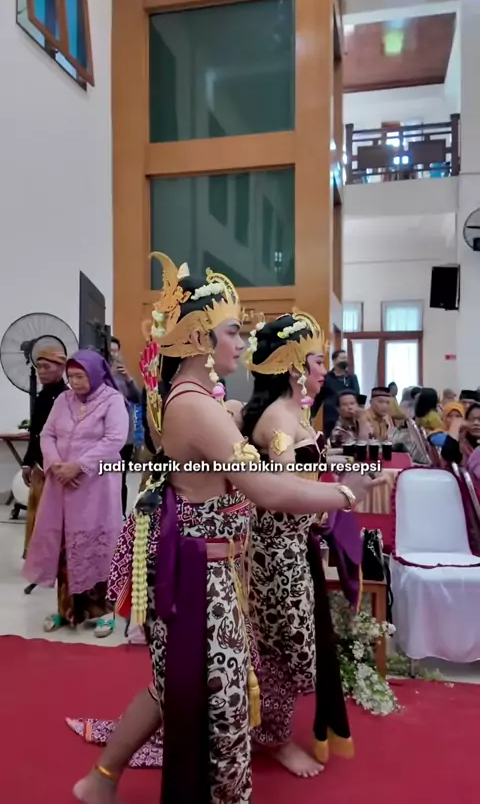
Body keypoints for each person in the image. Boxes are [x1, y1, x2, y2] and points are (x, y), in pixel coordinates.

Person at [72, 254, 374, 804]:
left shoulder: (196, 401)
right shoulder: (195, 406)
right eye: (233, 330)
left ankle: (101, 779)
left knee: (180, 687)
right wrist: (346, 494)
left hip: (212, 568)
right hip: (199, 575)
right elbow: (267, 490)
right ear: (198, 336)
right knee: (224, 698)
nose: (242, 341)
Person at [241, 313, 360, 778]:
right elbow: (283, 490)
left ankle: (271, 731)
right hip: (276, 551)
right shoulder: (277, 420)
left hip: (295, 543)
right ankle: (273, 739)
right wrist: (341, 495)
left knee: (291, 643)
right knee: (284, 646)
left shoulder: (297, 412)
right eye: (316, 361)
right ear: (294, 367)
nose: (323, 370)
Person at [23, 349, 128, 638]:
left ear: (95, 374)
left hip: (96, 485)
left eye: (81, 376)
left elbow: (115, 439)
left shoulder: (112, 400)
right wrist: (56, 464)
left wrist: (78, 466)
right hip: (62, 484)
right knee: (64, 545)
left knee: (97, 544)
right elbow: (47, 434)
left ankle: (104, 613)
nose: (75, 382)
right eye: (71, 377)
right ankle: (67, 610)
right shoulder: (63, 400)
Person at [21, 346, 67, 562]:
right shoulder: (41, 397)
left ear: (61, 368)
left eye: (47, 367)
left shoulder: (67, 397)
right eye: (39, 367)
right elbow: (36, 433)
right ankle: (38, 558)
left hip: (59, 468)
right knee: (37, 513)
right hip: (40, 466)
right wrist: (27, 462)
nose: (41, 371)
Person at [110, 336, 142, 516]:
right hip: (107, 435)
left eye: (116, 351)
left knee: (121, 477)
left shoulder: (123, 375)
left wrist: (128, 378)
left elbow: (138, 398)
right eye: (110, 352)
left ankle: (120, 514)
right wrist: (109, 375)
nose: (114, 355)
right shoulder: (99, 376)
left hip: (126, 435)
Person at [312, 349, 360, 439]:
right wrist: (312, 415)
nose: (345, 360)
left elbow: (357, 396)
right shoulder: (326, 378)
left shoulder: (352, 377)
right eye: (342, 358)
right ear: (334, 360)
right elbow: (319, 398)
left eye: (346, 358)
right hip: (330, 417)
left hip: (349, 417)